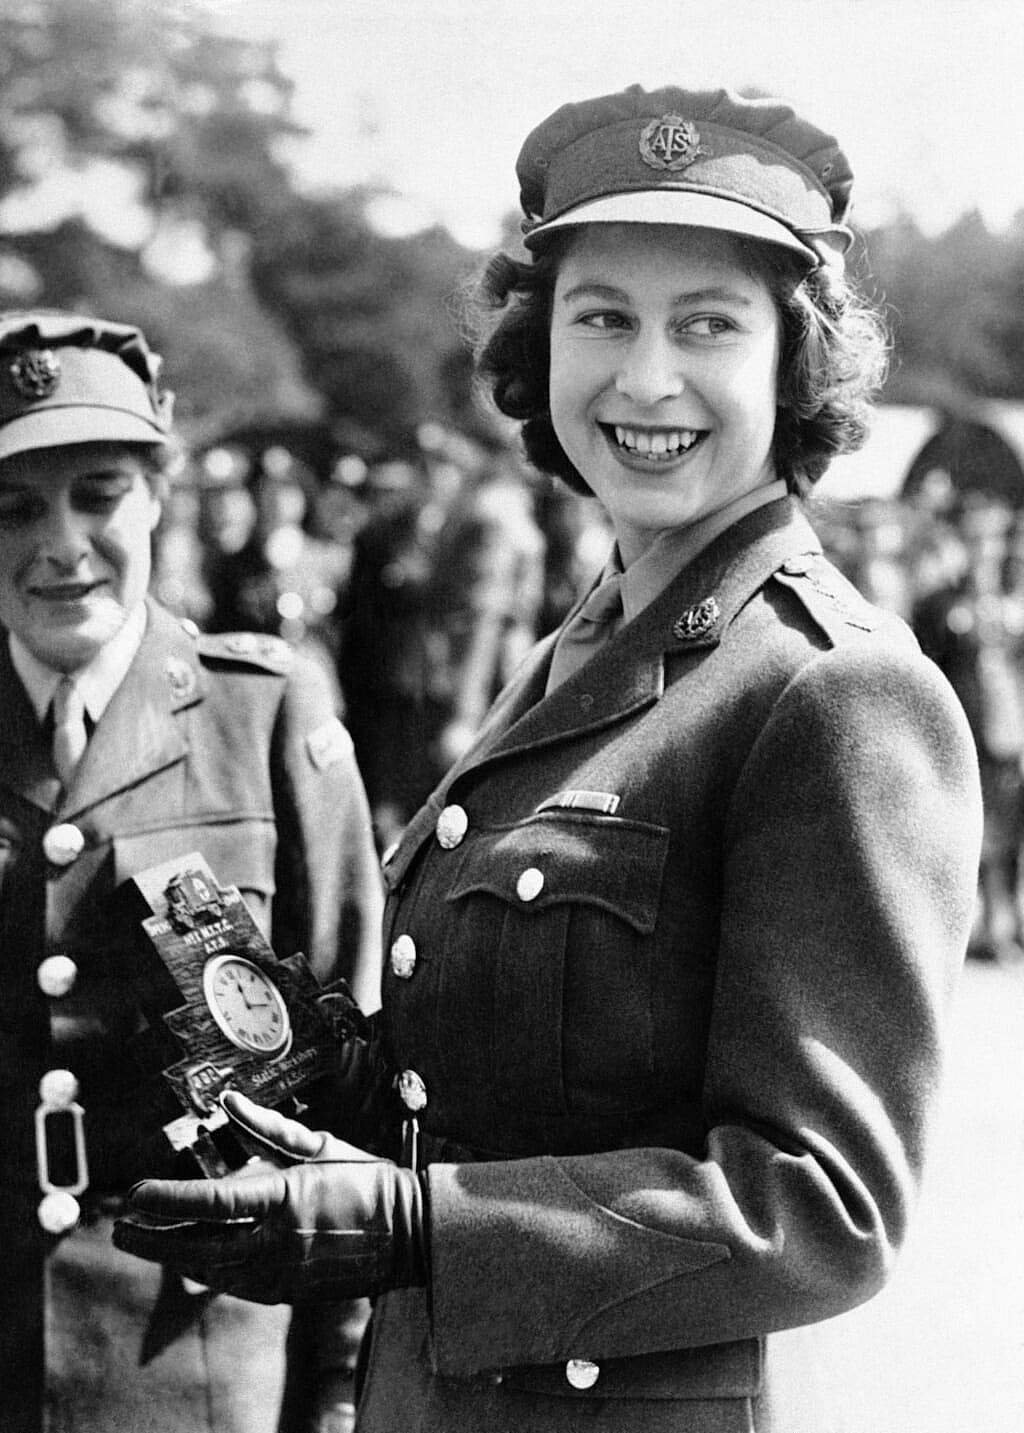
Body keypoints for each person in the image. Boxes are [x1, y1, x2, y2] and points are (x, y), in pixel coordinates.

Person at [115, 86, 983, 1433]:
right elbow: (503, 1084)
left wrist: (416, 1231)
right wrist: (291, 1040)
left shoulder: (830, 689)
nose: (645, 379)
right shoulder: (593, 634)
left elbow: (825, 1208)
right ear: (541, 346)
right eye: (602, 319)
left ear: (791, 363)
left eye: (708, 323)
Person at [0, 311, 383, 1433]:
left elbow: (354, 1094)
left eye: (100, 494)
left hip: (200, 1358)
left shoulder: (262, 714)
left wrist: (337, 1388)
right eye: (15, 508)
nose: (61, 545)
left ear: (161, 496)